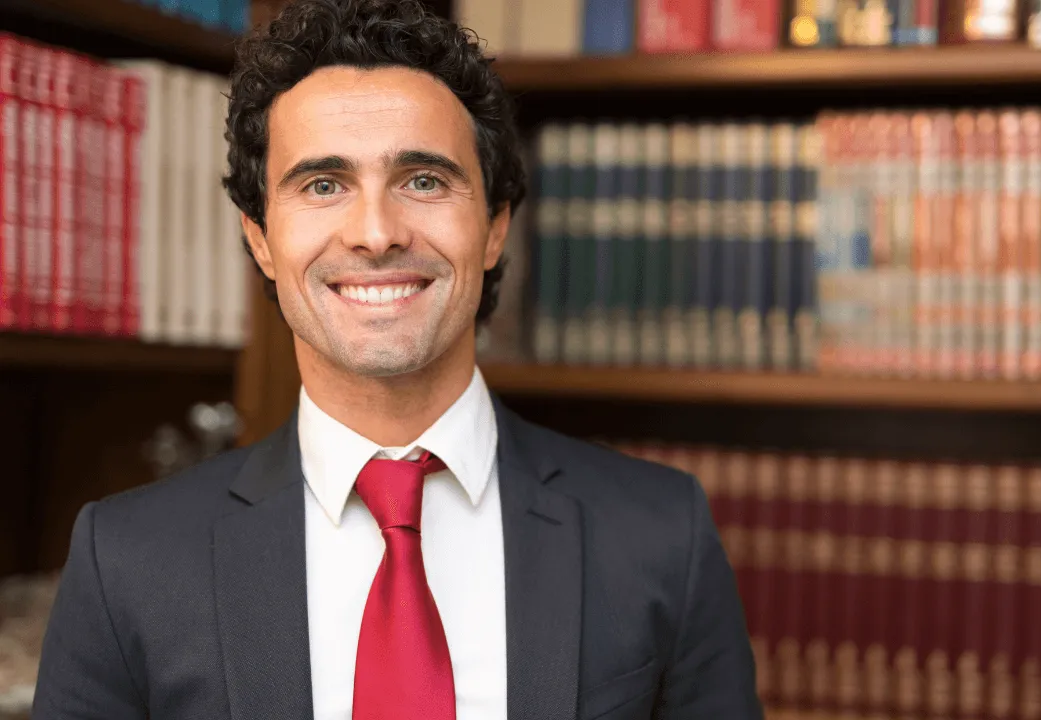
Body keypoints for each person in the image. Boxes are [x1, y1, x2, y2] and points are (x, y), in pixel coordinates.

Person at [30, 0, 762, 718]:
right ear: (260, 239)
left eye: (423, 180)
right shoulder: (126, 560)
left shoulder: (663, 535)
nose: (376, 233)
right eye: (323, 185)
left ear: (495, 227)